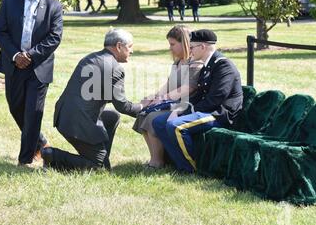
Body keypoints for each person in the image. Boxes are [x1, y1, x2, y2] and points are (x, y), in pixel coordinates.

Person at [42, 28, 145, 171]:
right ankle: (52, 155)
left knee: (111, 117)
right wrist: (143, 107)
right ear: (119, 46)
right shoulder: (115, 68)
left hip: (64, 115)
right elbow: (123, 106)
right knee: (98, 168)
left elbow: (94, 93)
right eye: (130, 47)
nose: (132, 51)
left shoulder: (91, 58)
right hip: (78, 122)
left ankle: (103, 157)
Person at [0, 0, 63, 167]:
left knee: (33, 112)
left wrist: (30, 56)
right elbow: (1, 32)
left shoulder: (54, 6)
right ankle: (40, 142)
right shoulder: (9, 2)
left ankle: (25, 159)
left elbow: (55, 37)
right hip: (13, 64)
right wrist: (16, 55)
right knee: (16, 107)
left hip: (38, 67)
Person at [152, 29, 243, 173]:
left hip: (219, 114)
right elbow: (199, 95)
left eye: (192, 47)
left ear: (203, 47)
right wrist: (179, 108)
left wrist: (185, 111)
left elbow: (214, 100)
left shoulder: (223, 65)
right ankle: (178, 163)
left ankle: (190, 169)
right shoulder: (209, 64)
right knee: (158, 122)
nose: (190, 50)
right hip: (206, 111)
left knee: (176, 126)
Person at [133, 25, 204, 168]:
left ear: (184, 42)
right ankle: (157, 157)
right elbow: (168, 83)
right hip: (172, 102)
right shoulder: (178, 62)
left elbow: (189, 88)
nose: (170, 48)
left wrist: (164, 98)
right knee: (143, 114)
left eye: (172, 44)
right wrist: (155, 97)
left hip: (185, 105)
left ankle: (157, 162)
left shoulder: (195, 63)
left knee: (152, 117)